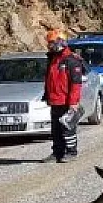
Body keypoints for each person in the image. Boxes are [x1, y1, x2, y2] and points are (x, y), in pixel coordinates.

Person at [43, 30, 86, 163]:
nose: (49, 45)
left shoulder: (72, 60)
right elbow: (50, 81)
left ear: (60, 42)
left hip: (67, 101)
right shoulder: (53, 59)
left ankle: (71, 152)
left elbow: (76, 84)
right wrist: (47, 96)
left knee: (68, 127)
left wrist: (73, 102)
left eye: (51, 42)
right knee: (55, 130)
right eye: (49, 43)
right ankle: (57, 152)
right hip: (55, 101)